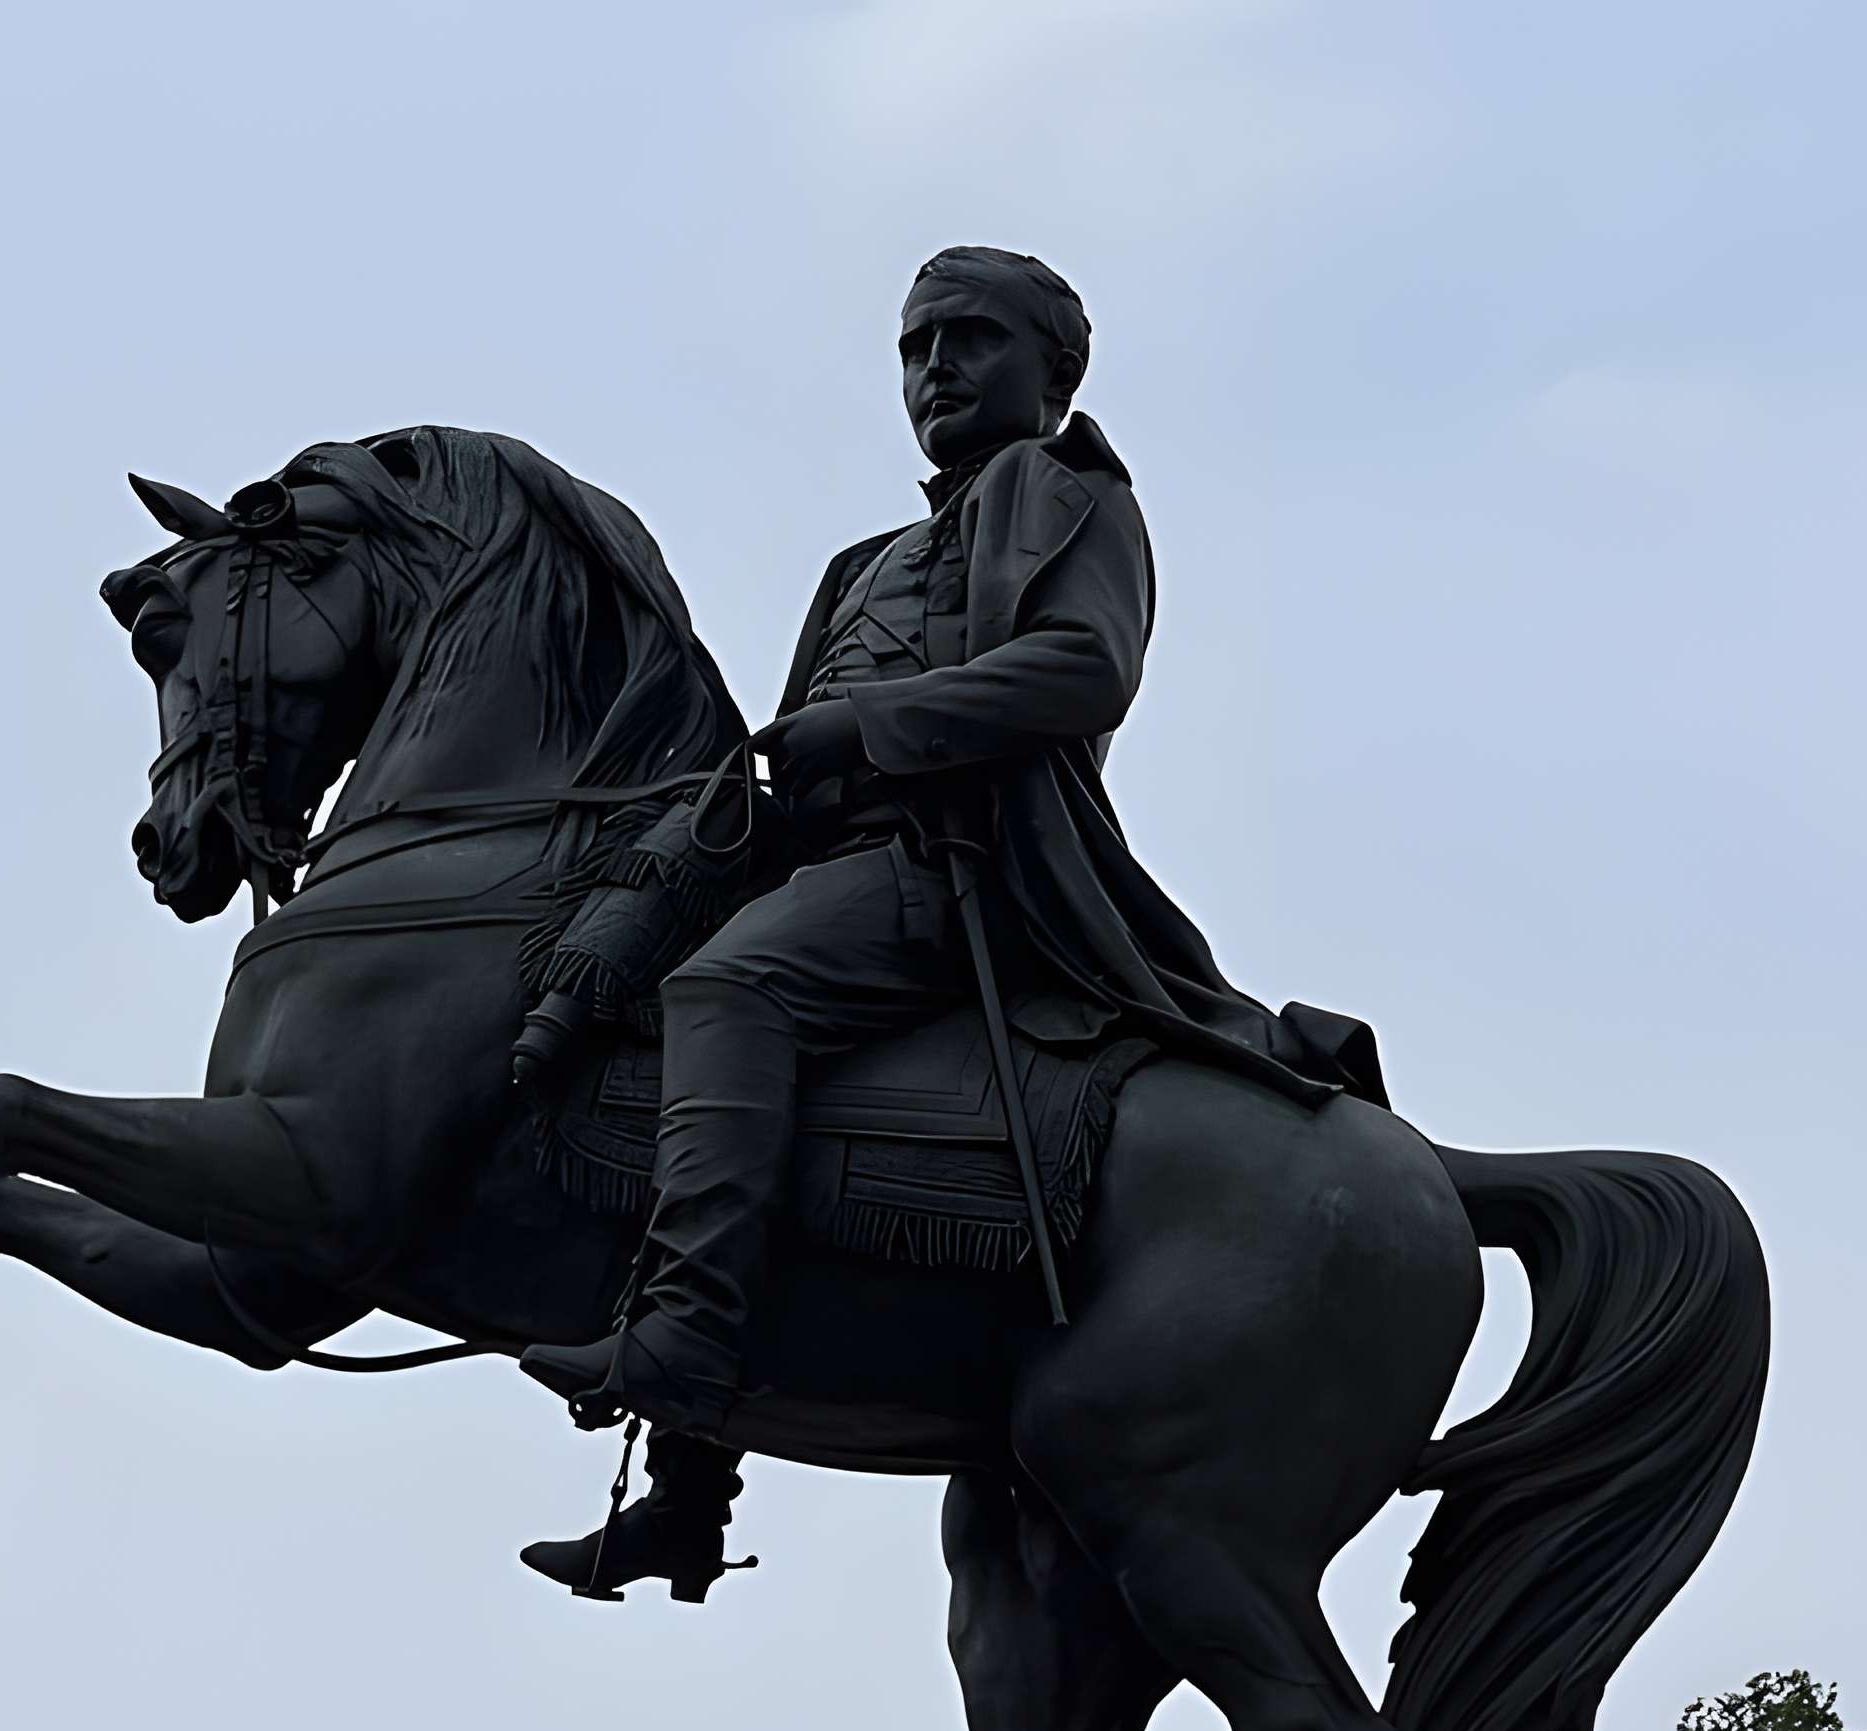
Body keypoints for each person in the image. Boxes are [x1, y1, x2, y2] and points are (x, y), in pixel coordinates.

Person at [518, 248, 1382, 1595]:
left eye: (972, 342)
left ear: (1055, 373)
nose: (936, 372)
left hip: (955, 869)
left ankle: (683, 1342)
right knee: (640, 1017)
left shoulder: (1073, 498)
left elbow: (1083, 668)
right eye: (917, 350)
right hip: (827, 863)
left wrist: (865, 726)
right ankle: (691, 1490)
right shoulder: (865, 562)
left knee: (732, 996)